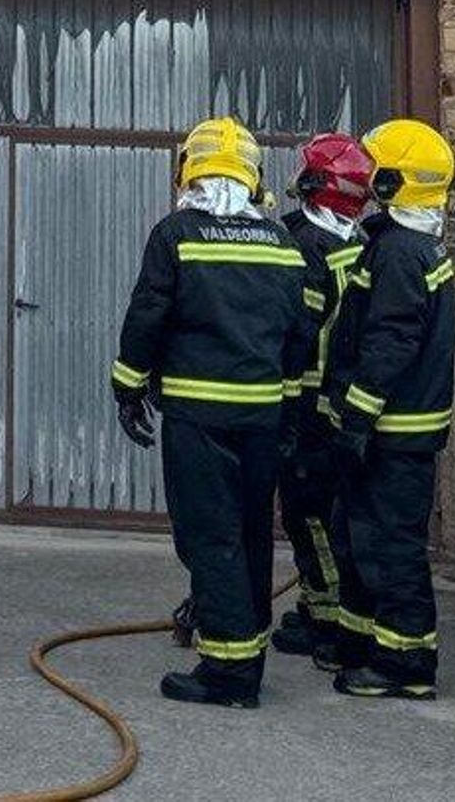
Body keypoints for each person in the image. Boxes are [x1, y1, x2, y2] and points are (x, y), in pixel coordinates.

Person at [111, 117, 313, 708]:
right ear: (252, 177)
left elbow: (148, 314)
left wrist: (127, 386)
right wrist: (290, 406)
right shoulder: (282, 243)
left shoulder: (176, 234)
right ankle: (244, 650)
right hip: (262, 417)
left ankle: (227, 672)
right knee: (251, 532)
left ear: (189, 171)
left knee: (210, 534)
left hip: (199, 415)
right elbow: (299, 333)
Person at [322, 119, 455, 700]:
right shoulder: (402, 242)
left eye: (376, 171)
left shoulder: (400, 253)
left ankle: (406, 665)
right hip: (394, 431)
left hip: (392, 433)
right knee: (360, 540)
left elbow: (389, 343)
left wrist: (356, 417)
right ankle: (362, 645)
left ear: (396, 180)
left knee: (391, 547)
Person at [269, 135, 371, 660]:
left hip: (308, 405)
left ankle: (325, 616)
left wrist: (286, 412)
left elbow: (299, 335)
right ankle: (319, 607)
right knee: (328, 509)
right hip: (342, 400)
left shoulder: (304, 244)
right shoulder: (359, 242)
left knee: (308, 512)